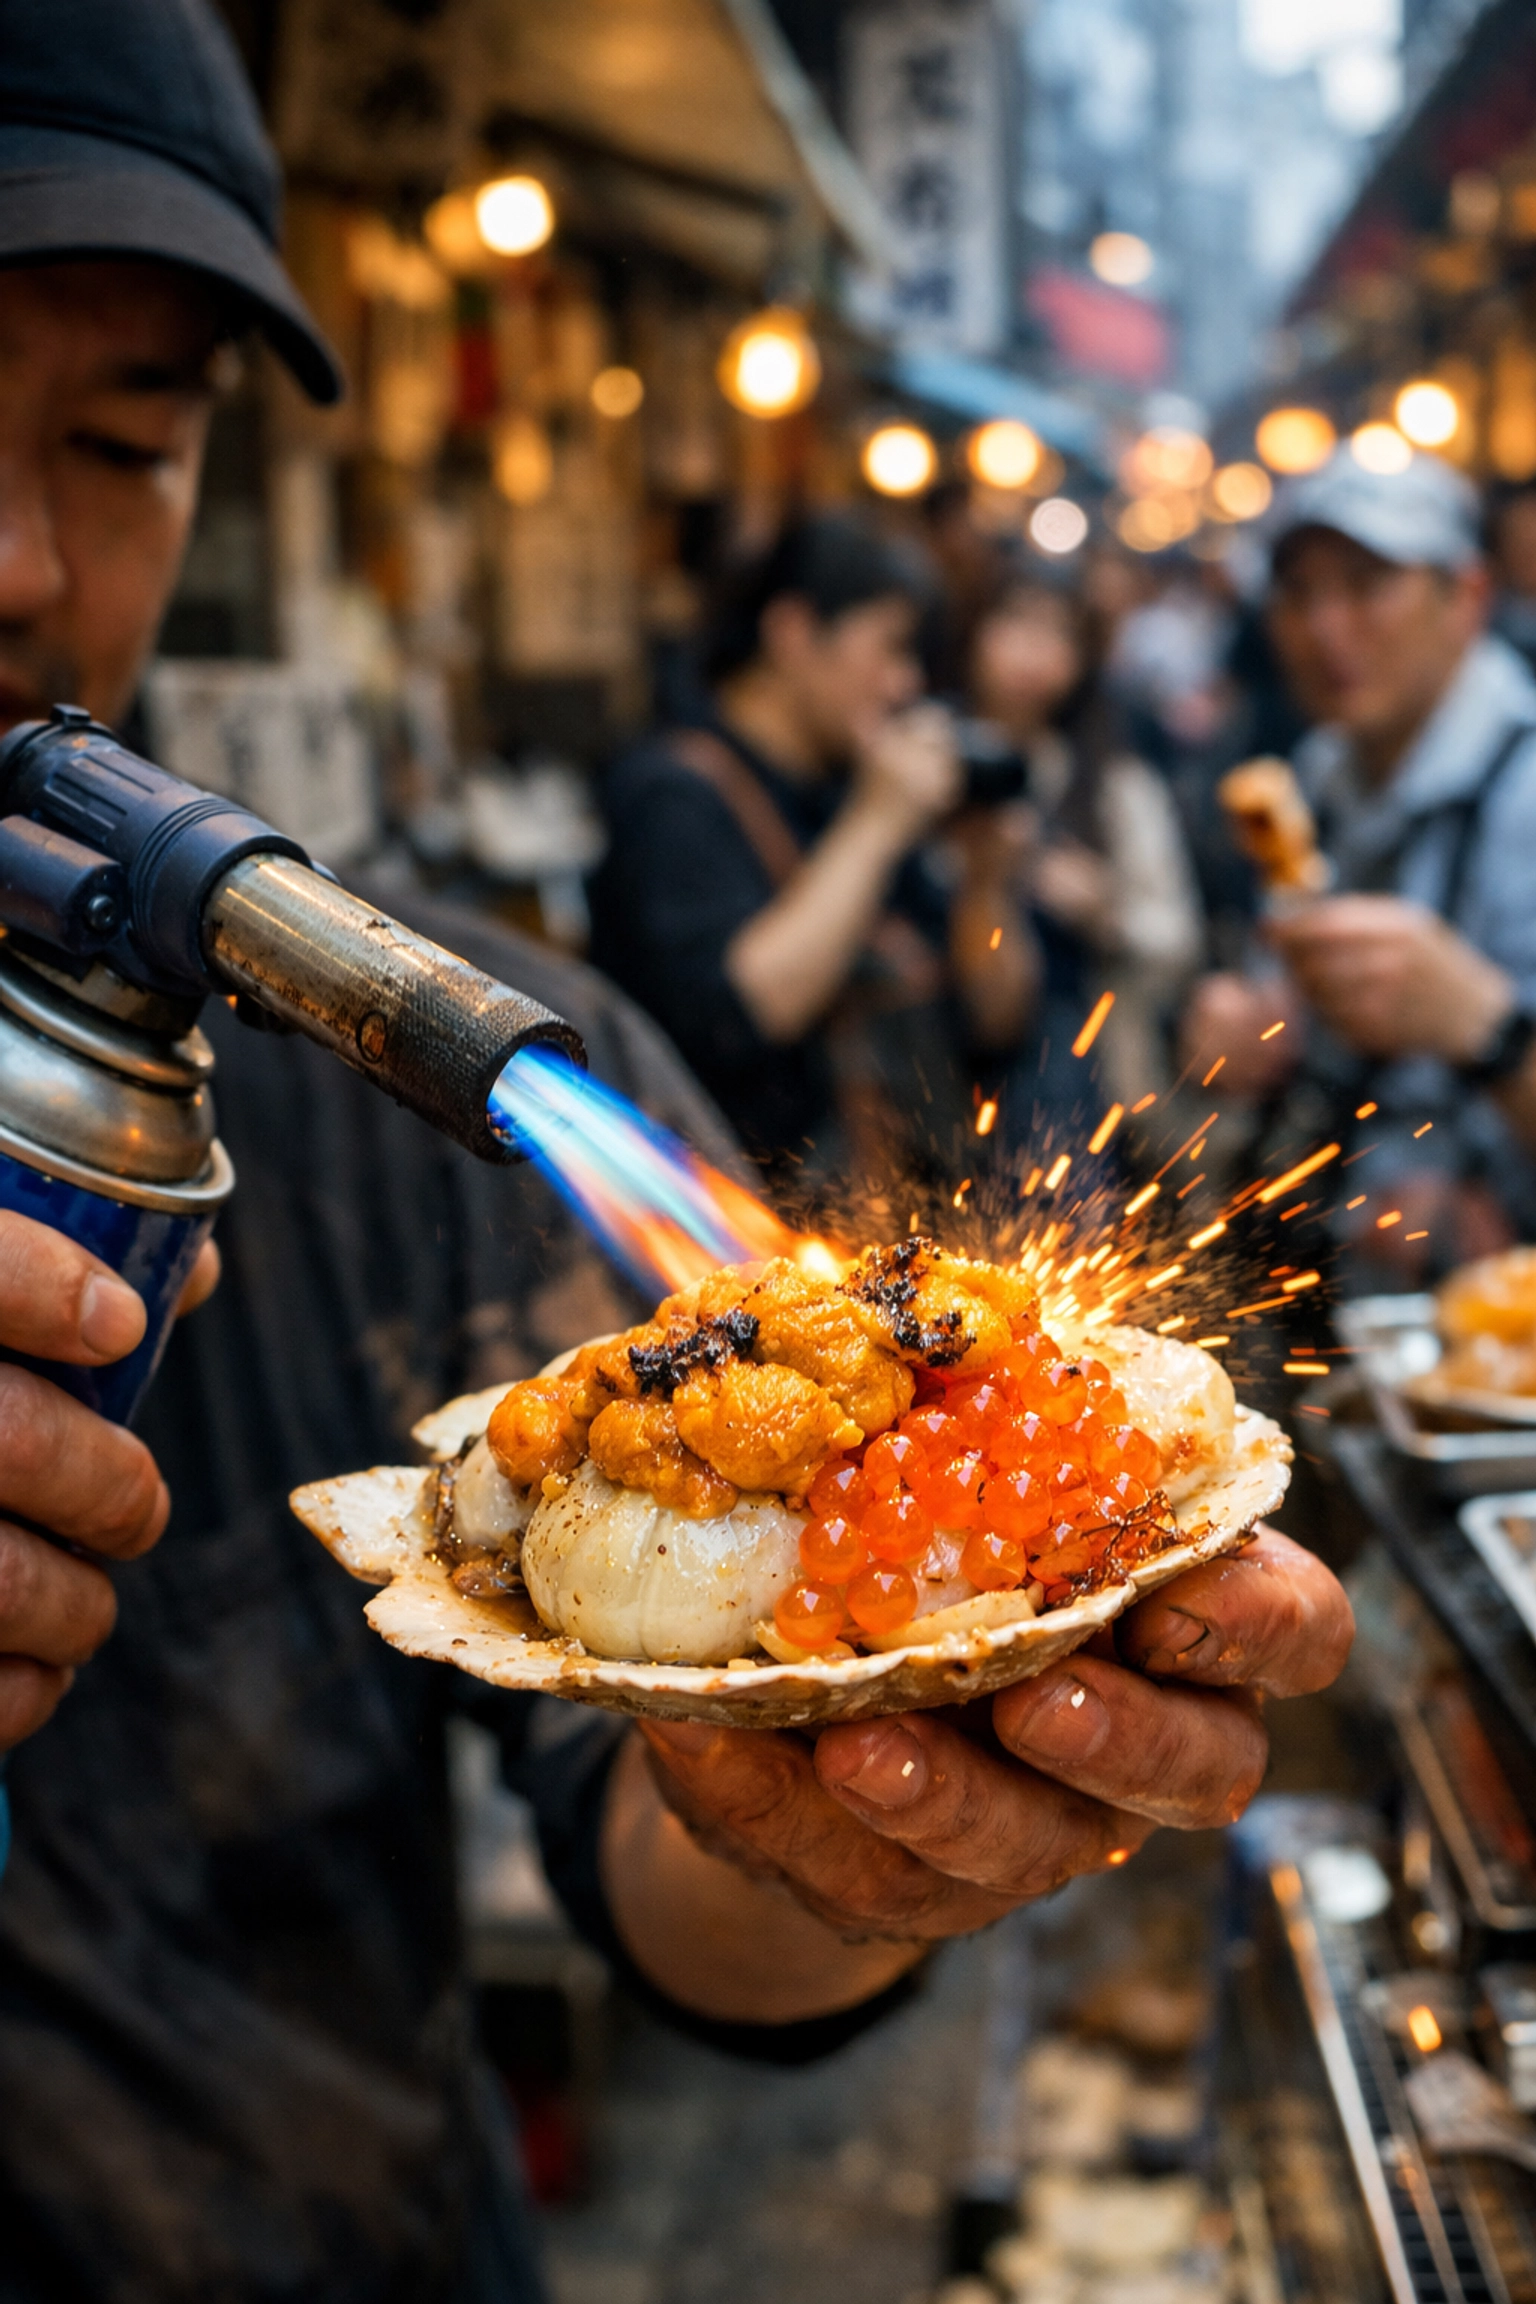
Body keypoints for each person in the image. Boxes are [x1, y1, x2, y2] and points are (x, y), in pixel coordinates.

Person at [0, 5, 1355, 2299]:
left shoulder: (380, 1057)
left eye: (126, 441)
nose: (19, 563)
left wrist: (851, 1815)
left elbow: (669, 1869)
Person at [589, 514, 1039, 1185]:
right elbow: (747, 1010)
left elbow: (996, 1021)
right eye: (889, 649)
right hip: (739, 1236)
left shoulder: (849, 789)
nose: (904, 684)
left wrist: (987, 883)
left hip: (885, 1223)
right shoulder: (672, 792)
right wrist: (878, 826)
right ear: (794, 631)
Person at [1184, 449, 1536, 1284]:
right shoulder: (1317, 775)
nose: (1326, 627)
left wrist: (1490, 1031)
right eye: (1299, 594)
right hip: (1340, 1299)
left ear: (1468, 597)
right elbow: (1288, 1015)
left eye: (1367, 583)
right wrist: (1247, 1031)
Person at [964, 565, 1201, 1114]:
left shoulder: (1110, 782)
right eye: (1015, 622)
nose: (1030, 651)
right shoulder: (925, 758)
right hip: (934, 1053)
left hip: (1068, 1079)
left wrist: (1106, 910)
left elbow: (1179, 939)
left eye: (1057, 633)